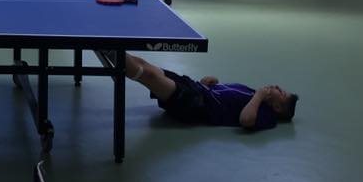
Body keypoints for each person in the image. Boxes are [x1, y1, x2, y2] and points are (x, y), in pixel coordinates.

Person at [123, 53, 298, 131]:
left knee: (149, 75)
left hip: (195, 104)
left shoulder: (267, 115)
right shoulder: (254, 95)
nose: (277, 86)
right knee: (144, 64)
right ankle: (113, 51)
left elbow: (246, 120)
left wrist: (259, 97)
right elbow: (228, 99)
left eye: (281, 92)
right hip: (195, 87)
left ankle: (111, 52)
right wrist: (210, 84)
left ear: (277, 107)